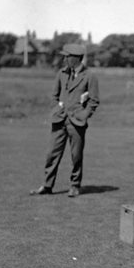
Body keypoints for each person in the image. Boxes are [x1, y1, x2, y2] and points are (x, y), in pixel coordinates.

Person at [30, 44, 99, 197]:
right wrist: (57, 110)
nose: (64, 59)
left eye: (67, 56)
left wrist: (83, 115)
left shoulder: (90, 76)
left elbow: (94, 101)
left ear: (75, 58)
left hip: (77, 123)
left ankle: (75, 186)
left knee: (76, 156)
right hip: (59, 121)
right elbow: (54, 97)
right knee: (51, 154)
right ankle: (47, 186)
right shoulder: (61, 73)